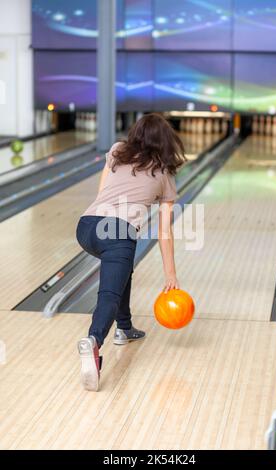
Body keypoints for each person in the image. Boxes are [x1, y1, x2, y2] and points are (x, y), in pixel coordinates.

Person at [76, 113, 186, 391]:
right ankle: (93, 342)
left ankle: (124, 327)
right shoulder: (164, 174)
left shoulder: (116, 151)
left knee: (122, 269)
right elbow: (164, 231)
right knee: (109, 294)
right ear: (166, 141)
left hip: (87, 227)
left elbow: (101, 193)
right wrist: (170, 274)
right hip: (119, 233)